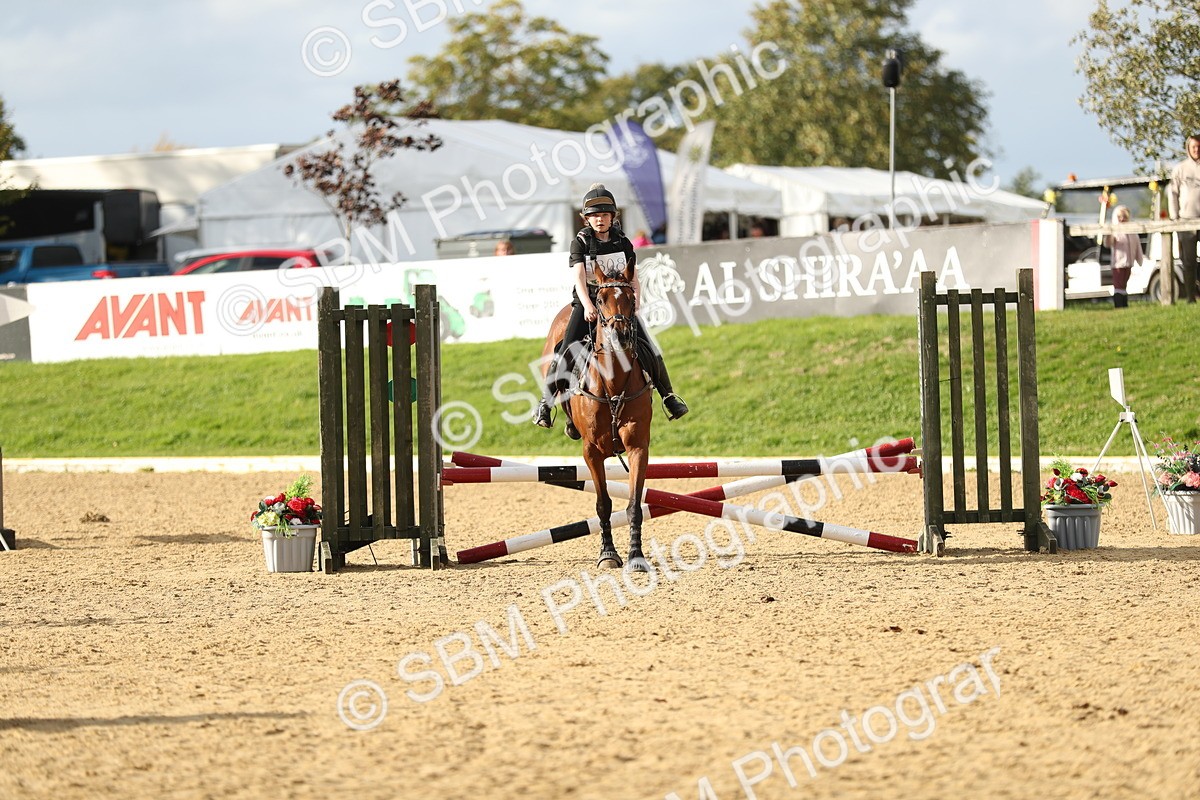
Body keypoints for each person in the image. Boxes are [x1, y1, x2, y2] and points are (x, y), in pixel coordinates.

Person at [533, 183, 689, 431]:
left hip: (619, 306)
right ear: (587, 219)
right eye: (595, 216)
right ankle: (546, 402)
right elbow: (579, 279)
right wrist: (586, 306)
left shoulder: (623, 242)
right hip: (589, 302)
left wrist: (636, 302)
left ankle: (668, 397)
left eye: (605, 215)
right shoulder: (580, 242)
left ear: (612, 217)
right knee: (565, 348)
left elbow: (633, 278)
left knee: (649, 348)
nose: (600, 220)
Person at [1168, 134, 1200, 303]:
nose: (1196, 150)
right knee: (1188, 262)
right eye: (1193, 147)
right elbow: (1173, 193)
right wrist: (1175, 217)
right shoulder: (1180, 169)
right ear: (1188, 148)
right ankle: (1190, 297)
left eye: (1199, 146)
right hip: (1187, 220)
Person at [1104, 205, 1143, 309]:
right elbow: (1108, 243)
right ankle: (1119, 305)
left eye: (1124, 216)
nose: (1122, 219)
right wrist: (1109, 233)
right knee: (1118, 285)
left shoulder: (1132, 232)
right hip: (1118, 263)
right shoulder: (1115, 231)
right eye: (1120, 216)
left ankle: (1124, 304)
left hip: (1129, 262)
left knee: (1124, 284)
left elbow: (1137, 246)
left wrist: (1139, 259)